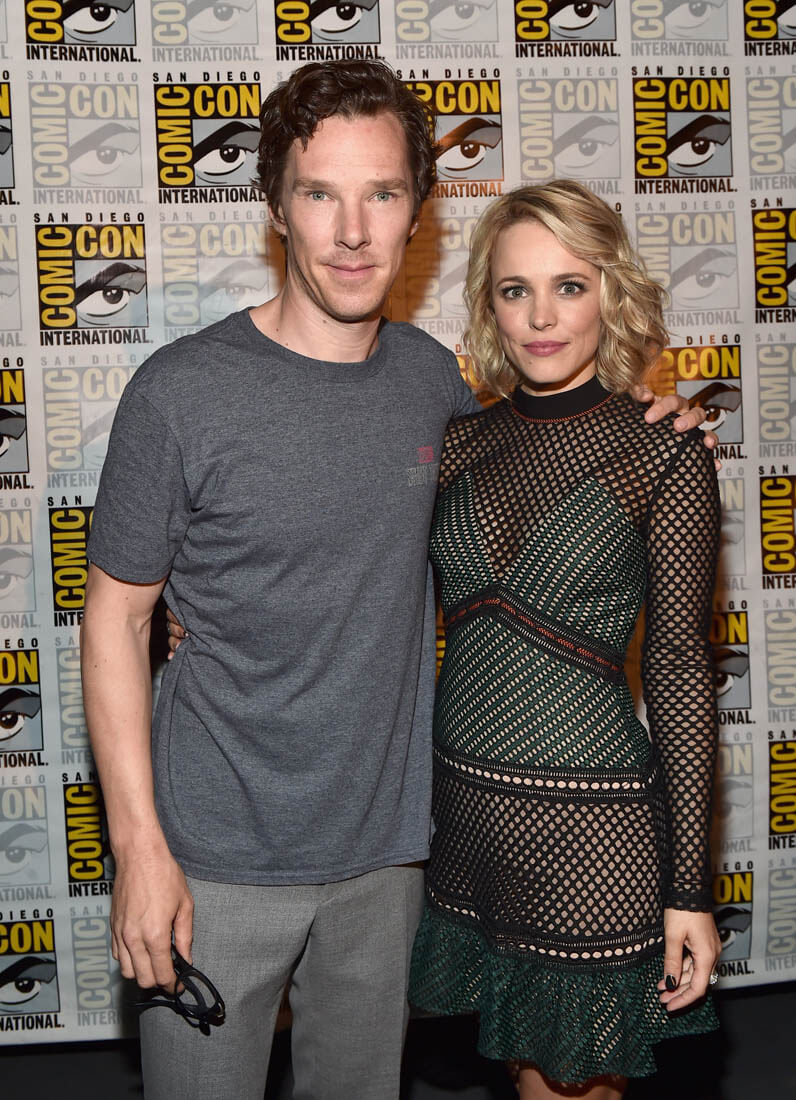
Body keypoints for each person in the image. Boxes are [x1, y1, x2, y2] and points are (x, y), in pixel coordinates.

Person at [81, 60, 710, 1100]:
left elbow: (544, 445)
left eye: (380, 194)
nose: (351, 231)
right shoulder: (180, 393)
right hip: (212, 859)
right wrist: (138, 846)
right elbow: (114, 620)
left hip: (391, 861)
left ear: (418, 212)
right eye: (319, 193)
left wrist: (659, 412)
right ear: (276, 207)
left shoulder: (433, 384)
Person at [407, 180, 722, 1100]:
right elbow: (349, 576)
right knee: (525, 1076)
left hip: (591, 830)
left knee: (574, 1088)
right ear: (490, 303)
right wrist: (192, 604)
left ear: (610, 293)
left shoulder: (662, 449)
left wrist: (689, 889)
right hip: (469, 819)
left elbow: (678, 669)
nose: (541, 316)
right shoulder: (457, 446)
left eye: (569, 286)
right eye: (516, 290)